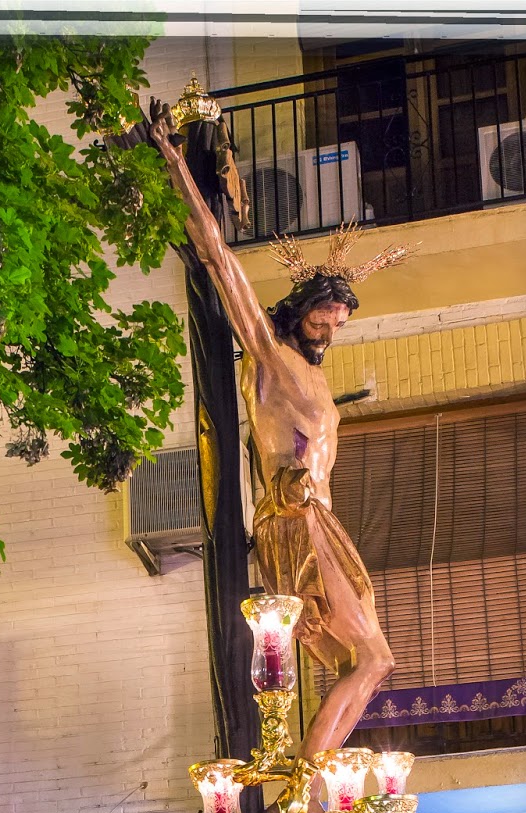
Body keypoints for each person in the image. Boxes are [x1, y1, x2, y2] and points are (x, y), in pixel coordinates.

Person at [146, 100, 414, 759]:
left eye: (340, 323)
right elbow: (219, 259)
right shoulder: (271, 359)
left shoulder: (317, 380)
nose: (331, 331)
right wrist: (174, 162)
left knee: (368, 661)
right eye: (323, 319)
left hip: (320, 522)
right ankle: (307, 777)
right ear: (300, 313)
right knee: (373, 658)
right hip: (294, 518)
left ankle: (310, 775)